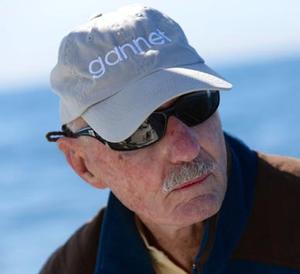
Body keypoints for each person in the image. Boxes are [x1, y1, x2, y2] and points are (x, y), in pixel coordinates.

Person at [40, 4, 300, 274]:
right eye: (140, 131)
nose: (187, 149)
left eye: (196, 106)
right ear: (83, 164)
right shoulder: (71, 268)